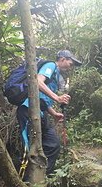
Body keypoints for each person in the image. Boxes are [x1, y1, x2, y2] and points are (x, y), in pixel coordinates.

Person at [17, 50, 81, 179]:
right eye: (70, 62)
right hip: (27, 110)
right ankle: (22, 184)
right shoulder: (51, 66)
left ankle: (43, 179)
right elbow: (37, 81)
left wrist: (54, 113)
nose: (71, 66)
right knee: (28, 150)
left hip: (40, 113)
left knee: (53, 145)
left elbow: (42, 99)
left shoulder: (57, 76)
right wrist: (57, 98)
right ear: (62, 59)